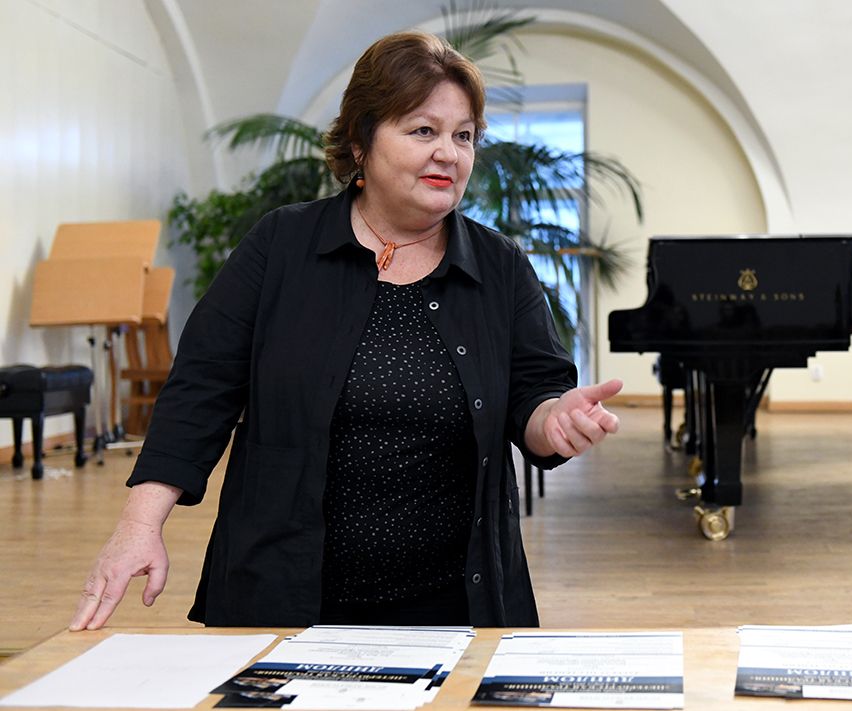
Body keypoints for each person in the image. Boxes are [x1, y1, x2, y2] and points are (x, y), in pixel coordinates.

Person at [69, 30, 622, 630]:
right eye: (423, 131)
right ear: (360, 140)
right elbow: (200, 388)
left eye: (464, 135)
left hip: (452, 605)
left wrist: (554, 420)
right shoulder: (281, 245)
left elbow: (534, 399)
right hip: (283, 595)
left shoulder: (500, 266)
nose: (449, 153)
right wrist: (139, 524)